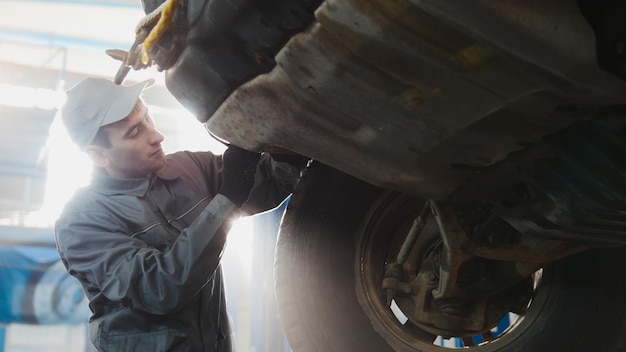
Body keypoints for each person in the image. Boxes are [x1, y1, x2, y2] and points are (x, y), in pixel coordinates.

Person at [53, 77, 306, 352]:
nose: (156, 136)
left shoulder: (189, 168)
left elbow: (271, 181)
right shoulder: (82, 222)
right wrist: (227, 200)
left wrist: (286, 144)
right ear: (99, 155)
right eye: (135, 132)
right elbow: (159, 289)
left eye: (148, 119)